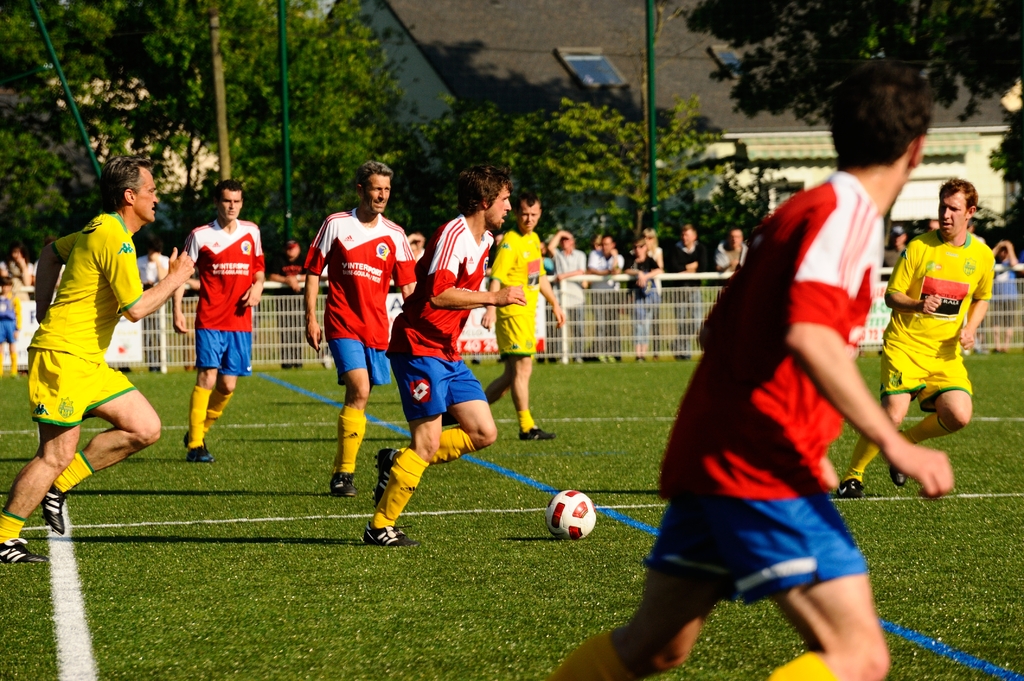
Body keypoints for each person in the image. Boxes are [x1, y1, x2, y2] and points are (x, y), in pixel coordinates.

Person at [546, 61, 954, 681]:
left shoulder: (795, 214)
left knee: (653, 648)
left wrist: (809, 437)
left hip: (716, 451)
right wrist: (894, 443)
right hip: (758, 463)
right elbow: (810, 335)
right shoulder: (848, 214)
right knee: (861, 656)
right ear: (917, 149)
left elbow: (719, 330)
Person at [0, 156, 194, 564]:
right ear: (130, 196)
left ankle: (59, 486)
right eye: (152, 191)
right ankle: (4, 537)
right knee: (54, 455)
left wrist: (43, 310)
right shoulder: (115, 237)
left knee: (145, 428)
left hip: (85, 360)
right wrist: (175, 278)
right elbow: (136, 309)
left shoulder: (100, 227)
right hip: (65, 358)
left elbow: (49, 253)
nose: (157, 198)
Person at [367, 165, 526, 547]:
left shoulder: (486, 240)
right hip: (418, 347)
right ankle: (380, 526)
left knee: (484, 432)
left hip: (447, 351)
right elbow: (439, 295)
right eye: (505, 199)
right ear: (484, 201)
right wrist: (494, 297)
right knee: (427, 442)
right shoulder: (453, 234)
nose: (510, 206)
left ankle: (396, 461)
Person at [837, 177, 994, 498]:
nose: (946, 214)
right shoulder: (919, 247)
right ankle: (852, 478)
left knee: (959, 415)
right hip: (904, 346)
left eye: (954, 209)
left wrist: (971, 329)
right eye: (943, 207)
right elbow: (892, 295)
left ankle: (905, 444)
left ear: (970, 212)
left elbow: (982, 297)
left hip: (944, 355)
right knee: (892, 414)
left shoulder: (982, 256)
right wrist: (919, 304)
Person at [303, 160, 416, 498]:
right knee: (360, 389)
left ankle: (346, 467)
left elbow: (408, 287)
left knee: (361, 397)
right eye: (376, 188)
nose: (382, 195)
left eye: (386, 189)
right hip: (342, 322)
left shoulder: (395, 234)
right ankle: (343, 474)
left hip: (377, 328)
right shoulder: (336, 224)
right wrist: (310, 317)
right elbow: (313, 271)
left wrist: (418, 325)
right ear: (360, 190)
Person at [173, 179, 265, 464]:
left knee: (227, 386)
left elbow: (259, 270)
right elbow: (180, 275)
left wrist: (258, 287)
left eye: (237, 201)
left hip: (240, 321)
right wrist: (177, 310)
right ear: (216, 202)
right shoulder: (200, 235)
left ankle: (198, 431)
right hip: (210, 319)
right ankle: (195, 446)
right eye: (227, 201)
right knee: (207, 377)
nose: (232, 206)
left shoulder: (252, 232)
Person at [482, 191, 566, 440]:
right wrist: (491, 308)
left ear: (540, 214)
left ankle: (468, 413)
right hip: (512, 313)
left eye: (534, 214)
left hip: (526, 314)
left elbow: (539, 277)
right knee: (523, 368)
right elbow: (496, 277)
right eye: (525, 214)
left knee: (511, 376)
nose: (529, 219)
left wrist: (555, 304)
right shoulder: (510, 241)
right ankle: (527, 427)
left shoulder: (533, 239)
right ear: (516, 213)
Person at [666, 224, 709, 359]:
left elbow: (702, 267)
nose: (684, 238)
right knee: (681, 322)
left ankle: (677, 344)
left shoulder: (700, 248)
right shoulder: (675, 249)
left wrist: (684, 269)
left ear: (694, 236)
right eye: (683, 235)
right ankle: (685, 352)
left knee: (696, 320)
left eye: (687, 235)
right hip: (679, 290)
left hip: (695, 289)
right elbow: (674, 268)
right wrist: (691, 266)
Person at [549, 230, 587, 362]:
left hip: (577, 297)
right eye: (562, 240)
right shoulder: (558, 255)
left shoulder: (580, 255)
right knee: (561, 328)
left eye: (567, 239)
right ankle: (562, 355)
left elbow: (581, 271)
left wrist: (564, 276)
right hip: (561, 298)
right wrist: (560, 233)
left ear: (572, 241)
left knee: (578, 328)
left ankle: (578, 356)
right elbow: (550, 247)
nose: (564, 242)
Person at [268, 239, 307, 369]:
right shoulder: (278, 259)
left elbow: (311, 275)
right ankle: (287, 361)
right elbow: (272, 276)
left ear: (298, 248)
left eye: (293, 248)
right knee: (285, 330)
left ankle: (298, 360)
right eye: (289, 248)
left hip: (300, 300)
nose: (291, 251)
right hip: (283, 301)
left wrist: (296, 279)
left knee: (299, 330)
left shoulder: (304, 259)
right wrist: (287, 280)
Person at [625, 236, 662, 361]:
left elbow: (659, 270)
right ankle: (638, 354)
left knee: (646, 325)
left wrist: (646, 276)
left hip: (648, 296)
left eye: (640, 247)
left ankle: (643, 354)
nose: (638, 249)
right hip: (635, 296)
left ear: (645, 247)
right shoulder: (631, 259)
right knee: (637, 325)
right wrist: (638, 273)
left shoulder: (649, 260)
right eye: (635, 247)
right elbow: (627, 270)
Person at [588, 235, 624, 360]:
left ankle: (614, 353)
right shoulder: (594, 254)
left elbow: (616, 271)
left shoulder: (619, 257)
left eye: (607, 244)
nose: (605, 247)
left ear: (613, 245)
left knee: (612, 324)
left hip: (612, 294)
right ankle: (600, 352)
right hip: (598, 293)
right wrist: (607, 272)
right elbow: (592, 270)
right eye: (603, 244)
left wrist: (615, 257)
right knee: (601, 323)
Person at [137, 237, 170, 372]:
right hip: (145, 298)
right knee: (147, 334)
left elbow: (164, 279)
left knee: (159, 332)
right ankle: (151, 363)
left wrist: (157, 263)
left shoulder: (165, 260)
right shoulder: (140, 261)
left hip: (159, 300)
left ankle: (162, 361)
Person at [989, 240, 1018, 353]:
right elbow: (988, 257)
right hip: (997, 297)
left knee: (1009, 323)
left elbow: (1014, 262)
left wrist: (1009, 247)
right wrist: (999, 245)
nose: (1003, 253)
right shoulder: (995, 263)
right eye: (1002, 251)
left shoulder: (1010, 262)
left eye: (1005, 251)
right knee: (996, 322)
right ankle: (997, 346)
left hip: (1010, 297)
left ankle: (1006, 346)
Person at [0, 277, 20, 377]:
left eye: (8, 286)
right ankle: (0, 371)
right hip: (0, 323)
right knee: (0, 347)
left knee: (12, 345)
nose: (6, 288)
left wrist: (17, 328)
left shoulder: (13, 298)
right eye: (4, 286)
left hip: (10, 323)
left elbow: (18, 314)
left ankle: (14, 371)